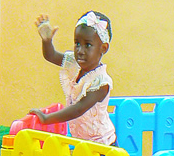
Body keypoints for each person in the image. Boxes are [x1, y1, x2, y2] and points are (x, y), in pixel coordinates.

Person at [30, 11, 116, 146]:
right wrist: (46, 41)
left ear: (103, 48)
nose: (80, 51)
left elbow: (78, 109)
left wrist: (46, 119)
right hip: (83, 144)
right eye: (77, 43)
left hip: (103, 146)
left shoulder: (101, 82)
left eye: (88, 45)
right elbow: (51, 56)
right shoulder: (74, 64)